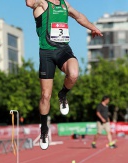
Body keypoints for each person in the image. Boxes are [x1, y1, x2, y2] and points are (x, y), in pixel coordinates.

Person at [25, 0, 103, 150]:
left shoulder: (64, 4)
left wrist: (93, 27)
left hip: (63, 50)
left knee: (73, 75)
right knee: (45, 96)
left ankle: (62, 94)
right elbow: (29, 2)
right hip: (46, 53)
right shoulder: (41, 3)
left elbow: (79, 17)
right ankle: (43, 131)